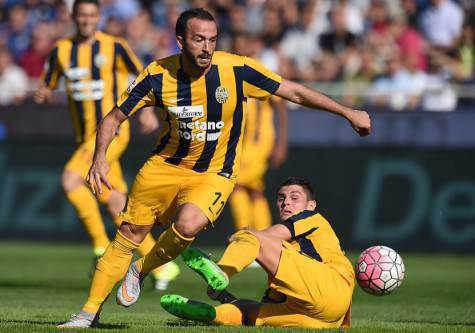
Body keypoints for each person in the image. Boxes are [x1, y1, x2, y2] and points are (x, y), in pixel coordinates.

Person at [59, 7, 370, 328]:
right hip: (164, 166)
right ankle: (87, 314)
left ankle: (141, 270)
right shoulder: (157, 74)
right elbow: (113, 118)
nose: (207, 47)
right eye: (198, 40)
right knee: (128, 235)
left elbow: (294, 91)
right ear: (181, 41)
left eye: (212, 39)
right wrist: (99, 158)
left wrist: (348, 112)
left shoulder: (236, 70)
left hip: (215, 171)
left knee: (189, 223)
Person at [34, 0, 179, 288]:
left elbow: (144, 77)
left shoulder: (114, 46)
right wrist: (43, 94)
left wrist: (149, 110)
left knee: (70, 180)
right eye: (82, 15)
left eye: (92, 15)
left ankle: (101, 246)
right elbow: (48, 85)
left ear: (98, 17)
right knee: (116, 204)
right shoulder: (61, 50)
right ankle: (162, 267)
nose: (87, 20)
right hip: (84, 137)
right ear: (74, 17)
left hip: (111, 133)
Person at [161, 176, 355, 329]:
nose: (286, 203)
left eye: (295, 198)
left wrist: (243, 236)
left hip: (331, 285)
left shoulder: (312, 218)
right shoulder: (293, 259)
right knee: (247, 311)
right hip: (325, 318)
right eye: (281, 198)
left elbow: (267, 236)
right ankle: (212, 314)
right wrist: (223, 296)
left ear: (311, 205)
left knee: (252, 236)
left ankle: (221, 271)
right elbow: (272, 300)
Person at [229, 33, 288, 233]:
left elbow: (280, 106)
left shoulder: (256, 71)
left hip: (257, 141)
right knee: (253, 190)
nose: (238, 51)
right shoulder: (233, 72)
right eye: (235, 47)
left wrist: (281, 143)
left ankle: (246, 236)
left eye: (241, 46)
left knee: (238, 186)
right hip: (243, 142)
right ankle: (260, 239)